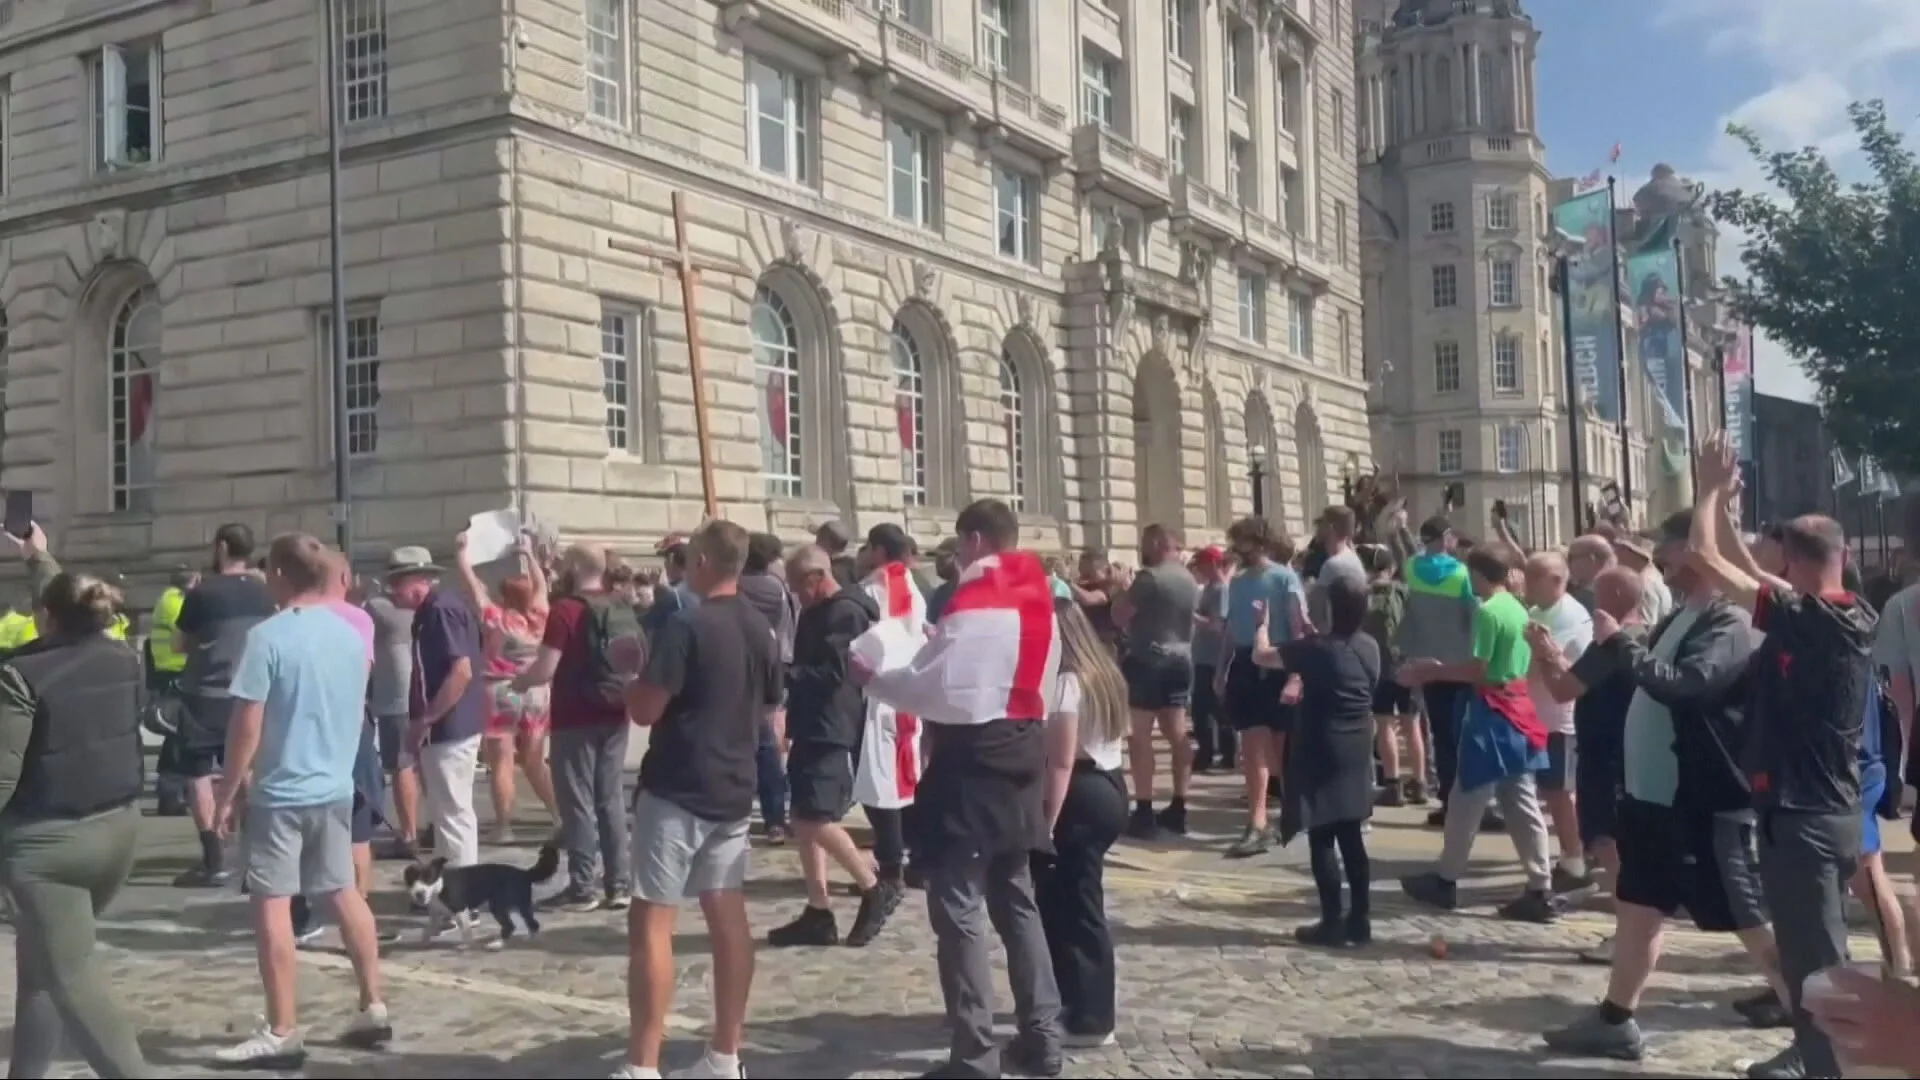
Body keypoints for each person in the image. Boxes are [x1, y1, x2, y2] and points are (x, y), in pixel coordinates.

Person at [1537, 512, 1783, 1062]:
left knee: (1748, 917)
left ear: (1703, 554)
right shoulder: (1680, 617)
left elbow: (1688, 687)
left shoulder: (1729, 623)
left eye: (1672, 552)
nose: (1662, 564)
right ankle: (1615, 1019)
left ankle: (1813, 1038)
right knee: (1639, 906)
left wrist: (1620, 644)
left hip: (1703, 802)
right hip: (1655, 800)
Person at [855, 498, 1064, 1080]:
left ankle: (975, 1055)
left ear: (974, 540)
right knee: (1017, 902)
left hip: (973, 764)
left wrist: (876, 680)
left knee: (960, 911)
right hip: (1022, 751)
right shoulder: (1038, 590)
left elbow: (941, 689)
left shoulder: (980, 594)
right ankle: (1044, 1035)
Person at [1687, 432, 1875, 1080]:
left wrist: (1708, 489)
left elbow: (1705, 558)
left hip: (1805, 817)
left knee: (1819, 965)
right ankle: (1814, 1055)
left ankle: (1831, 1068)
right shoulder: (1846, 611)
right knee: (1809, 957)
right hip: (1822, 811)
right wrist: (1736, 522)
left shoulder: (1807, 620)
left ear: (1793, 563)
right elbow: (1752, 568)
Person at [213, 533, 391, 1067]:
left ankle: (283, 1027)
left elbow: (247, 723)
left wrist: (227, 792)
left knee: (271, 902)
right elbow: (356, 707)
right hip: (334, 784)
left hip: (281, 789)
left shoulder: (268, 637)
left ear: (282, 577)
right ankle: (373, 1002)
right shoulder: (349, 635)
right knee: (342, 891)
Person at [615, 521, 778, 1080]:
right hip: (733, 786)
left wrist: (629, 675)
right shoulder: (761, 628)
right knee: (727, 917)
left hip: (680, 786)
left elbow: (645, 710)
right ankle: (726, 1055)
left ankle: (642, 1066)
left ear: (704, 562)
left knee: (653, 926)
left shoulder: (686, 625)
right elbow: (771, 715)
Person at [0, 524, 150, 1078]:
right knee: (45, 964)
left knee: (73, 981)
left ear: (45, 618)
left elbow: (1, 776)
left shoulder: (21, 676)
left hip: (47, 847)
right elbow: (67, 602)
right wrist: (40, 558)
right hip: (118, 828)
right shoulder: (123, 660)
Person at [1398, 545, 1558, 923]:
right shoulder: (1519, 608)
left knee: (1466, 797)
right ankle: (1541, 885)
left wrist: (1431, 671)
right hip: (1518, 709)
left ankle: (1446, 880)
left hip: (1491, 712)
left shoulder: (1487, 612)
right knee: (1521, 801)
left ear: (1479, 575)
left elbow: (1478, 669)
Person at [768, 545, 900, 948]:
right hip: (812, 722)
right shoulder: (818, 611)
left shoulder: (844, 613)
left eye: (796, 587)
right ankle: (818, 910)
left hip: (832, 724)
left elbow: (834, 673)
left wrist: (784, 672)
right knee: (804, 815)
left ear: (815, 578)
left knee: (812, 819)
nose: (794, 596)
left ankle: (873, 885)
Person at [1253, 575, 1380, 947]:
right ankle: (1360, 919)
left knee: (1322, 831)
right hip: (1358, 741)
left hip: (1322, 742)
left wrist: (1262, 626)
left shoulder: (1315, 649)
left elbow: (1261, 655)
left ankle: (1331, 922)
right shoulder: (1368, 645)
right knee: (1351, 832)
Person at [515, 542, 639, 911]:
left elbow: (546, 668)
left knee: (577, 802)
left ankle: (582, 886)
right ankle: (619, 884)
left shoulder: (565, 610)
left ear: (572, 568)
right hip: (616, 712)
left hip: (574, 717)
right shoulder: (620, 605)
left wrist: (521, 682)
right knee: (610, 799)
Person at [1033, 599, 1129, 1049]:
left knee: (1078, 906)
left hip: (1082, 793)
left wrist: (1045, 825)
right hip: (1108, 784)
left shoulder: (1067, 682)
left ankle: (1093, 1018)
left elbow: (1060, 762)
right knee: (1068, 900)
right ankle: (1072, 999)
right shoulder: (1103, 671)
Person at [172, 522, 277, 887]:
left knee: (199, 773)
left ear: (220, 547)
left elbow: (179, 645)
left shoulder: (203, 593)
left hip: (205, 693)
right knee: (246, 771)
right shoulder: (265, 593)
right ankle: (255, 860)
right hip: (250, 692)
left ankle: (214, 859)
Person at [452, 530, 557, 845]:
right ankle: (559, 814)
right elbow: (540, 587)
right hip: (537, 692)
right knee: (536, 759)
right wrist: (529, 555)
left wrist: (461, 554)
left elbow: (472, 588)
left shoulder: (495, 618)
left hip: (498, 691)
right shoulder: (539, 615)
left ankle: (504, 826)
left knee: (502, 761)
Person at [388, 546, 485, 871]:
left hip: (449, 726)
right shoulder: (435, 609)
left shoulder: (440, 610)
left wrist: (426, 719)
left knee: (453, 813)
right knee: (447, 813)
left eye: (395, 583)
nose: (391, 592)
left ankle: (462, 893)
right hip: (448, 726)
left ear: (415, 581)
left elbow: (462, 671)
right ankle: (451, 884)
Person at [1219, 516, 1308, 858]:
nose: (1236, 548)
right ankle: (1256, 822)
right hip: (1245, 663)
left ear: (1258, 542)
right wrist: (1221, 668)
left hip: (1278, 662)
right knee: (1253, 744)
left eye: (1241, 541)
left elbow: (1298, 627)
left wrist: (1297, 674)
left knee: (1280, 748)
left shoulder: (1285, 578)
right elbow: (1231, 627)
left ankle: (1291, 811)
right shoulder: (1238, 582)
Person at [1112, 523, 1198, 839]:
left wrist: (1121, 587)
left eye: (1146, 542)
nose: (1142, 548)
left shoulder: (1150, 578)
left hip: (1148, 659)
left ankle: (1145, 809)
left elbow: (1119, 616)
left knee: (1140, 735)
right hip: (1181, 658)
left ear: (1159, 542)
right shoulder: (1187, 578)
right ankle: (1179, 805)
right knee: (1177, 733)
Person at [1394, 516, 1480, 827]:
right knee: (1463, 736)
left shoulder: (1412, 570)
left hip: (1426, 665)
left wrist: (1402, 528)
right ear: (1444, 538)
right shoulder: (1461, 574)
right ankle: (1470, 802)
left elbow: (1405, 554)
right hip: (1459, 663)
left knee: (1441, 735)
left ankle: (1447, 801)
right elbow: (1473, 617)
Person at [853, 524, 927, 884]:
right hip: (908, 690)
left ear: (879, 550)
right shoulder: (914, 586)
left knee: (881, 785)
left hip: (879, 695)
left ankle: (892, 863)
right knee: (902, 781)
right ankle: (911, 855)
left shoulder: (874, 588)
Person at [1523, 551, 1595, 894]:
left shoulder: (1571, 615)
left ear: (1556, 581)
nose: (1526, 583)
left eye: (1533, 576)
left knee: (1561, 793)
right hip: (1538, 716)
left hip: (1561, 720)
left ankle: (1575, 860)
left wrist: (1533, 658)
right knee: (1552, 792)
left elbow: (1554, 664)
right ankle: (1572, 854)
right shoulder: (1537, 612)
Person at [738, 532, 796, 845]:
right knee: (767, 746)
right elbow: (788, 628)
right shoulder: (776, 587)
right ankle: (775, 820)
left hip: (739, 669)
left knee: (741, 745)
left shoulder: (736, 586)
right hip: (773, 667)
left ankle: (740, 818)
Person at [364, 573, 421, 858]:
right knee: (421, 766)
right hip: (420, 696)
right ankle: (427, 827)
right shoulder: (420, 610)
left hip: (396, 699)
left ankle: (408, 835)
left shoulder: (379, 608)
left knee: (401, 766)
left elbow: (366, 606)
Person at [1363, 545, 1421, 806]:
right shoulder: (1405, 592)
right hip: (1407, 664)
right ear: (1391, 567)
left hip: (1379, 667)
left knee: (1385, 724)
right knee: (1412, 726)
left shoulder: (1365, 595)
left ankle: (1393, 783)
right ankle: (1419, 783)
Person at [1189, 546, 1235, 773]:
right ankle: (1212, 751)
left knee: (1211, 708)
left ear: (1214, 564)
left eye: (1203, 563)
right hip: (1203, 656)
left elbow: (1218, 625)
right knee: (1204, 708)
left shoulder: (1221, 591)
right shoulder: (1209, 588)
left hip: (1213, 657)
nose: (1199, 568)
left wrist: (1191, 616)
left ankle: (1221, 752)